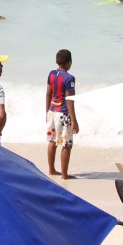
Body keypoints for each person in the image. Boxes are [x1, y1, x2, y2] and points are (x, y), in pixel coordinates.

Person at [45, 49, 79, 179]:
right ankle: (65, 175)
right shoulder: (69, 78)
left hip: (52, 112)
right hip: (63, 114)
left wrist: (47, 111)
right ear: (69, 63)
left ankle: (52, 170)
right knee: (67, 144)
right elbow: (69, 100)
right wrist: (74, 121)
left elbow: (48, 93)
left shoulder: (52, 74)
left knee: (52, 141)